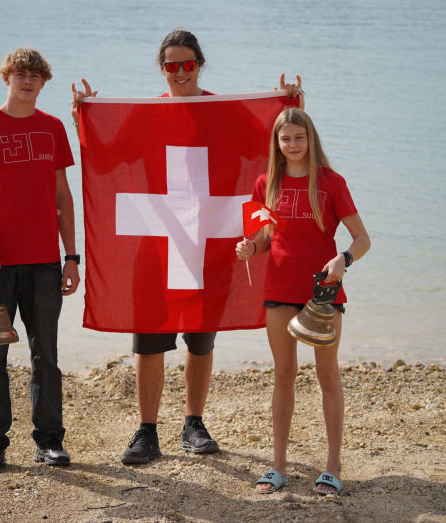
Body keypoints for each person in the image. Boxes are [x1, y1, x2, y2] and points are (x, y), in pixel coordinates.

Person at [71, 30, 303, 465]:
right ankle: (147, 431)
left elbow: (274, 146)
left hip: (210, 244)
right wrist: (86, 119)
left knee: (201, 337)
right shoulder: (146, 115)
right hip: (156, 244)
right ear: (162, 69)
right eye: (171, 65)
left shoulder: (225, 113)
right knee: (149, 340)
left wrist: (290, 107)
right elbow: (109, 157)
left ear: (200, 64)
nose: (180, 72)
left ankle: (193, 424)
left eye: (188, 64)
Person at [0, 47, 80, 473]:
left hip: (45, 263)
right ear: (6, 77)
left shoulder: (53, 128)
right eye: (20, 74)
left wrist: (71, 256)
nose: (28, 81)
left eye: (35, 75)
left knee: (46, 355)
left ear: (44, 82)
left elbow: (63, 197)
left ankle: (49, 441)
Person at [236, 108, 370, 495]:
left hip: (323, 291)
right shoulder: (265, 183)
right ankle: (277, 466)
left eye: (299, 137)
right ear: (276, 143)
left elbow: (363, 239)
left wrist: (343, 259)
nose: (293, 144)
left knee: (327, 375)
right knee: (284, 374)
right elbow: (265, 238)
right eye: (286, 138)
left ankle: (333, 467)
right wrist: (250, 248)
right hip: (278, 290)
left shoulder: (331, 182)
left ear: (310, 139)